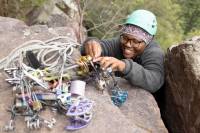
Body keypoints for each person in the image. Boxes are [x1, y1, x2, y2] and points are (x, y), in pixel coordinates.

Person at [81, 9, 164, 93]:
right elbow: (99, 46)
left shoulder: (154, 52)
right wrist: (91, 44)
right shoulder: (119, 43)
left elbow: (155, 81)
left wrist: (124, 66)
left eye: (135, 41)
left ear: (148, 41)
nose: (128, 44)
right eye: (125, 38)